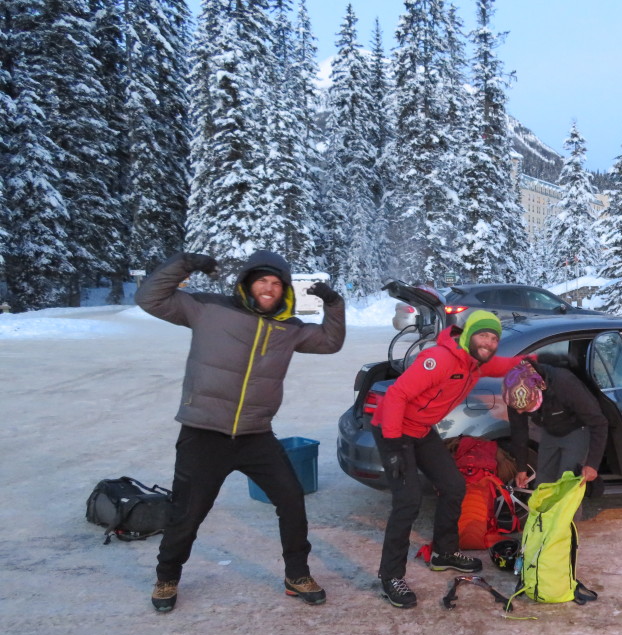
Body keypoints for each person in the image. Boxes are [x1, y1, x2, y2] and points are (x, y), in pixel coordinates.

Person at [136, 250, 346, 612]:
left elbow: (330, 342)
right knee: (189, 511)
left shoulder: (289, 328)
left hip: (255, 434)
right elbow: (149, 298)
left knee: (291, 499)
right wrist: (184, 264)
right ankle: (167, 577)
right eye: (263, 280)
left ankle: (297, 574)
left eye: (277, 283)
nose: (270, 288)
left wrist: (334, 303)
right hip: (204, 432)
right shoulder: (209, 309)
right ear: (248, 283)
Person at [371, 310, 524, 608]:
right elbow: (396, 396)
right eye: (483, 335)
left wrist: (535, 363)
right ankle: (390, 576)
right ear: (468, 335)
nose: (489, 342)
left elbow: (505, 364)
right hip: (394, 429)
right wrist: (392, 446)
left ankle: (443, 552)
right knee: (408, 501)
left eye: (494, 338)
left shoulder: (476, 362)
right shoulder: (439, 359)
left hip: (421, 430)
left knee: (454, 485)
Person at [503, 358, 608, 488]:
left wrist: (592, 464)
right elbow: (519, 431)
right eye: (516, 408)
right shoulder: (515, 393)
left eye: (524, 407)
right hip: (550, 430)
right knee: (543, 482)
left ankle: (570, 507)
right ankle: (545, 508)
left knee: (567, 484)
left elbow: (599, 422)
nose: (519, 412)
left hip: (576, 429)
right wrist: (521, 467)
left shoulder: (564, 383)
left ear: (536, 393)